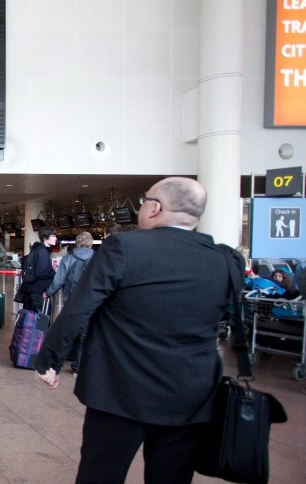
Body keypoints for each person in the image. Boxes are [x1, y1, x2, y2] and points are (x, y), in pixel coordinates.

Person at [35, 177, 244, 484]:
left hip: (119, 389)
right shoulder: (226, 259)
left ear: (155, 208)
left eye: (144, 202)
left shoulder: (124, 247)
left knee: (100, 475)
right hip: (191, 394)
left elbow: (80, 307)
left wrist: (49, 359)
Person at [43, 232, 95, 375]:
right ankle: (78, 366)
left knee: (68, 331)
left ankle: (56, 364)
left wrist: (48, 292)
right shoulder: (97, 258)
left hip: (71, 301)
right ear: (90, 243)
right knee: (85, 333)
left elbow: (59, 280)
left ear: (76, 243)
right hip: (90, 301)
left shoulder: (68, 258)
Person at [25, 226, 58, 312]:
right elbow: (41, 273)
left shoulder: (38, 250)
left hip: (36, 289)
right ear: (45, 238)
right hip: (40, 290)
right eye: (53, 236)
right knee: (42, 316)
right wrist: (54, 272)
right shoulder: (42, 252)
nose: (55, 238)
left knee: (36, 316)